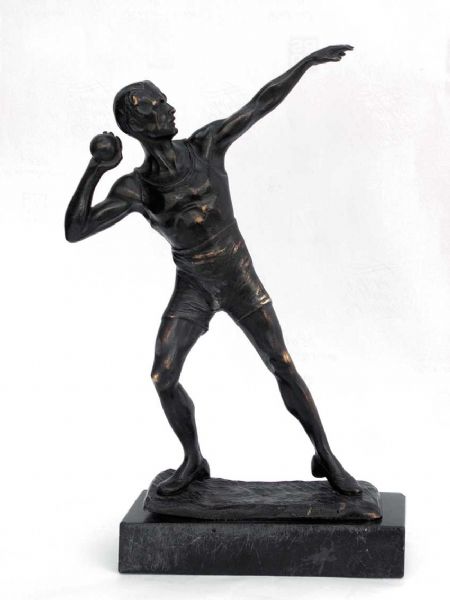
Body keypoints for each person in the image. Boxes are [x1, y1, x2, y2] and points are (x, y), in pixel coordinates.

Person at [65, 45, 362, 496]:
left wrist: (305, 63)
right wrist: (95, 169)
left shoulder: (205, 146)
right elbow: (77, 229)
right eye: (155, 106)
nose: (168, 108)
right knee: (163, 376)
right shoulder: (137, 188)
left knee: (281, 363)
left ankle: (327, 456)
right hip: (194, 286)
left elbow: (260, 103)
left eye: (164, 100)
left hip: (238, 277)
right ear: (134, 125)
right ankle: (193, 460)